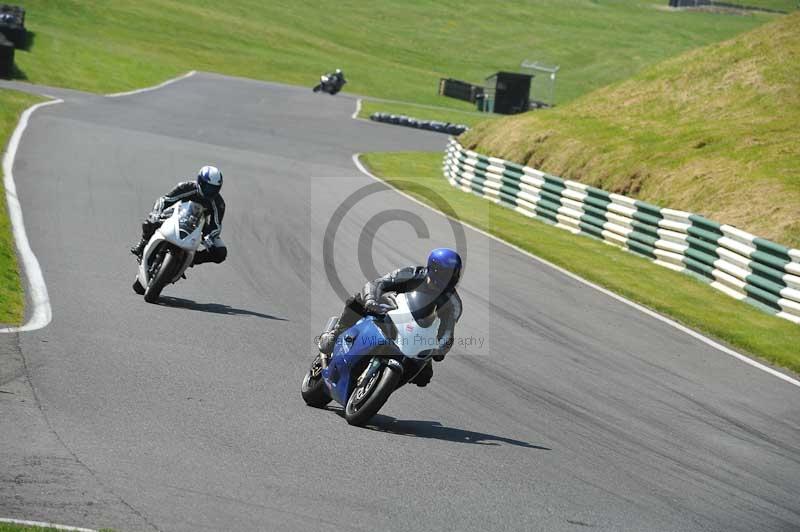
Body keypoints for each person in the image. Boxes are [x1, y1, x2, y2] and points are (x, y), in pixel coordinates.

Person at [318, 248, 463, 387]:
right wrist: (371, 300)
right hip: (391, 311)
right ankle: (336, 333)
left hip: (418, 335)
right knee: (357, 301)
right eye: (447, 274)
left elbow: (448, 330)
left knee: (424, 376)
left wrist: (441, 348)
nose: (451, 279)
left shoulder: (454, 303)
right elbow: (377, 283)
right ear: (434, 269)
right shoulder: (413, 274)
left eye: (454, 274)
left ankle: (382, 383)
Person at [130, 165, 227, 266]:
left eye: (214, 189)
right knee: (149, 223)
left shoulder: (219, 203)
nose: (210, 192)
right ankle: (143, 242)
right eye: (208, 188)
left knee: (221, 253)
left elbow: (216, 225)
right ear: (200, 182)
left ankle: (190, 260)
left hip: (200, 224)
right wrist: (156, 213)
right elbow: (165, 200)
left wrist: (209, 237)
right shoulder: (186, 187)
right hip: (177, 214)